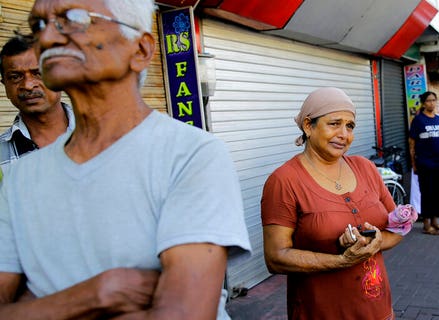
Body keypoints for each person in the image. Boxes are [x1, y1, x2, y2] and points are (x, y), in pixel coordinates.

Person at [0, 0, 251, 319]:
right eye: (37, 25)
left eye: (74, 19)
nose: (47, 39)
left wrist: (37, 306)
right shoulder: (20, 177)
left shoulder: (189, 154)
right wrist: (101, 292)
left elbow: (184, 313)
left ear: (141, 49)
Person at [261, 87, 404, 319]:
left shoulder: (365, 168)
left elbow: (398, 226)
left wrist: (375, 242)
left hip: (377, 309)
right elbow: (276, 257)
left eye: (350, 126)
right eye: (334, 123)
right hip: (320, 311)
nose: (344, 134)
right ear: (308, 126)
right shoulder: (284, 181)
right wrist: (341, 260)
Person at [0, 36, 74, 165]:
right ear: (5, 85)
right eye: (15, 77)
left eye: (38, 73)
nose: (28, 85)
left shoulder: (106, 138)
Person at [409, 91, 439, 235]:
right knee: (427, 194)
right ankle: (426, 224)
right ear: (424, 103)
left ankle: (435, 221)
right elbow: (412, 143)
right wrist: (414, 163)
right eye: (429, 101)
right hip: (425, 163)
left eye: (434, 100)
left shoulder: (438, 119)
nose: (432, 103)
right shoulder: (418, 120)